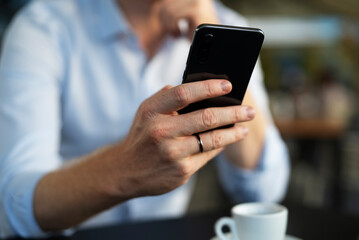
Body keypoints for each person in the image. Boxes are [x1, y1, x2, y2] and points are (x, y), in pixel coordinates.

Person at [0, 0, 289, 238]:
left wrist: (224, 56)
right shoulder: (44, 26)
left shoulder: (224, 22)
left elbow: (264, 191)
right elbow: (18, 202)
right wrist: (125, 169)